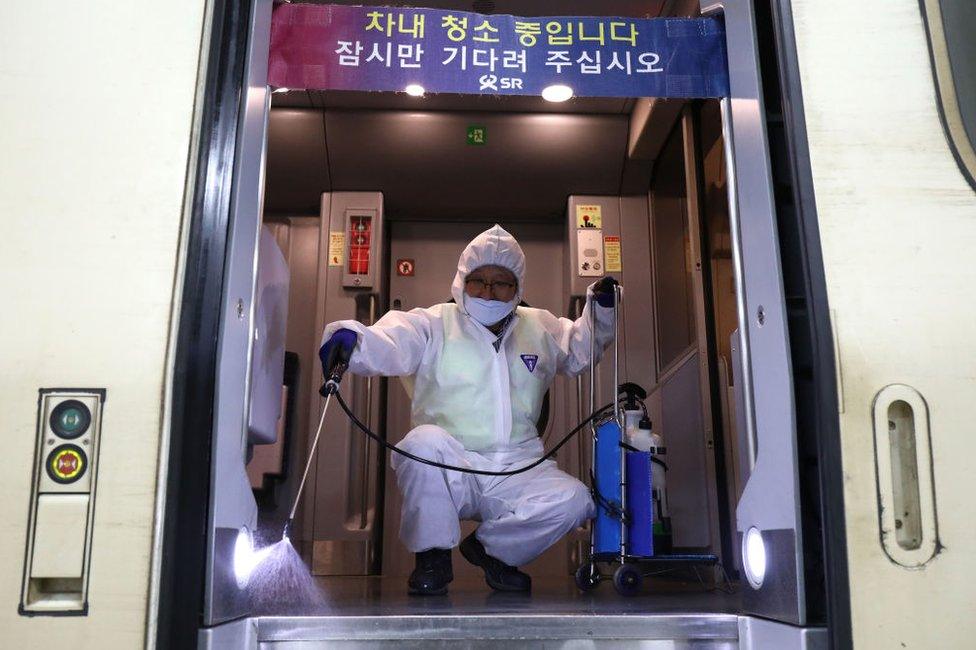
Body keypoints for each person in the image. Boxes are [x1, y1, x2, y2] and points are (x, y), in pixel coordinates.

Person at [320, 224, 618, 595]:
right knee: (421, 443)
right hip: (451, 462)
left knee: (574, 501)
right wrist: (351, 339)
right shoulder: (433, 323)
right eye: (479, 281)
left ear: (518, 288)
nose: (489, 293)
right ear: (462, 281)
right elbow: (388, 338)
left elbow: (580, 350)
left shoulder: (538, 325)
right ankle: (432, 558)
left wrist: (601, 311)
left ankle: (492, 550)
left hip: (517, 465)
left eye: (502, 283)